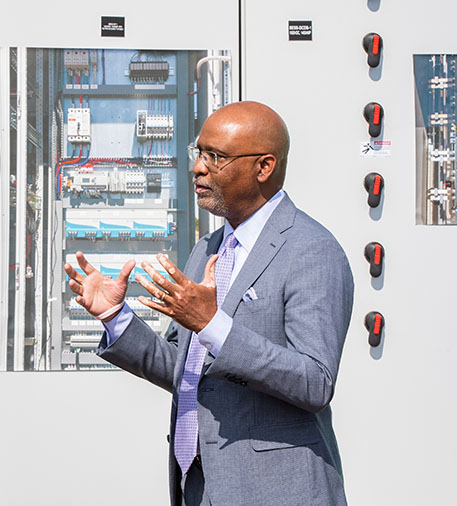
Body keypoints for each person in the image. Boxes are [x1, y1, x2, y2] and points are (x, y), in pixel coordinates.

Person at [65, 101, 354, 506]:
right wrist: (116, 317)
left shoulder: (312, 251)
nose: (199, 168)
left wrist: (213, 324)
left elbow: (315, 381)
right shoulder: (209, 248)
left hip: (276, 490)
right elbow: (185, 369)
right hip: (199, 486)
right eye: (198, 153)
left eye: (215, 157)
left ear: (264, 167)